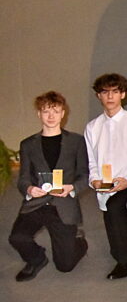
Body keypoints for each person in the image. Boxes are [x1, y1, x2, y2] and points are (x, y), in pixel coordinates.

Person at [9, 91, 89, 281]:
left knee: (65, 266)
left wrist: (72, 188)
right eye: (46, 111)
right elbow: (23, 178)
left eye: (56, 111)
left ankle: (79, 242)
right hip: (37, 203)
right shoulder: (28, 144)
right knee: (17, 238)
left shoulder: (76, 142)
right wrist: (29, 189)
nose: (51, 116)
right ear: (39, 114)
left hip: (63, 204)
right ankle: (37, 259)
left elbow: (85, 175)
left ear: (63, 113)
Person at [85, 73, 127, 279]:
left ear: (123, 94)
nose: (110, 96)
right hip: (106, 186)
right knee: (116, 244)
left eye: (115, 91)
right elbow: (91, 162)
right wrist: (94, 180)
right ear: (99, 96)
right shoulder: (92, 127)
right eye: (105, 92)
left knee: (114, 206)